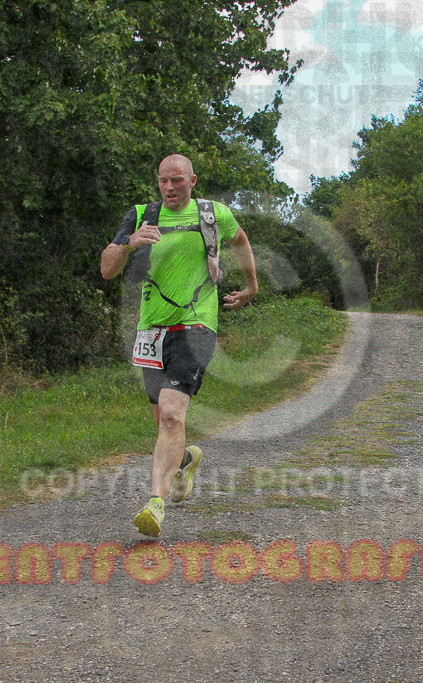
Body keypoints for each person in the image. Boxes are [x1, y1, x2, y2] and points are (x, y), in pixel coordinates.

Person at [100, 154, 258, 537]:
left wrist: (251, 286)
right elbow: (107, 269)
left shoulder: (213, 214)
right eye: (163, 181)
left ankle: (155, 504)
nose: (170, 188)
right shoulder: (141, 215)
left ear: (192, 181)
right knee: (163, 423)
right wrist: (130, 243)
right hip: (151, 330)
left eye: (177, 181)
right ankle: (186, 458)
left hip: (196, 324)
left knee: (171, 413)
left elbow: (239, 239)